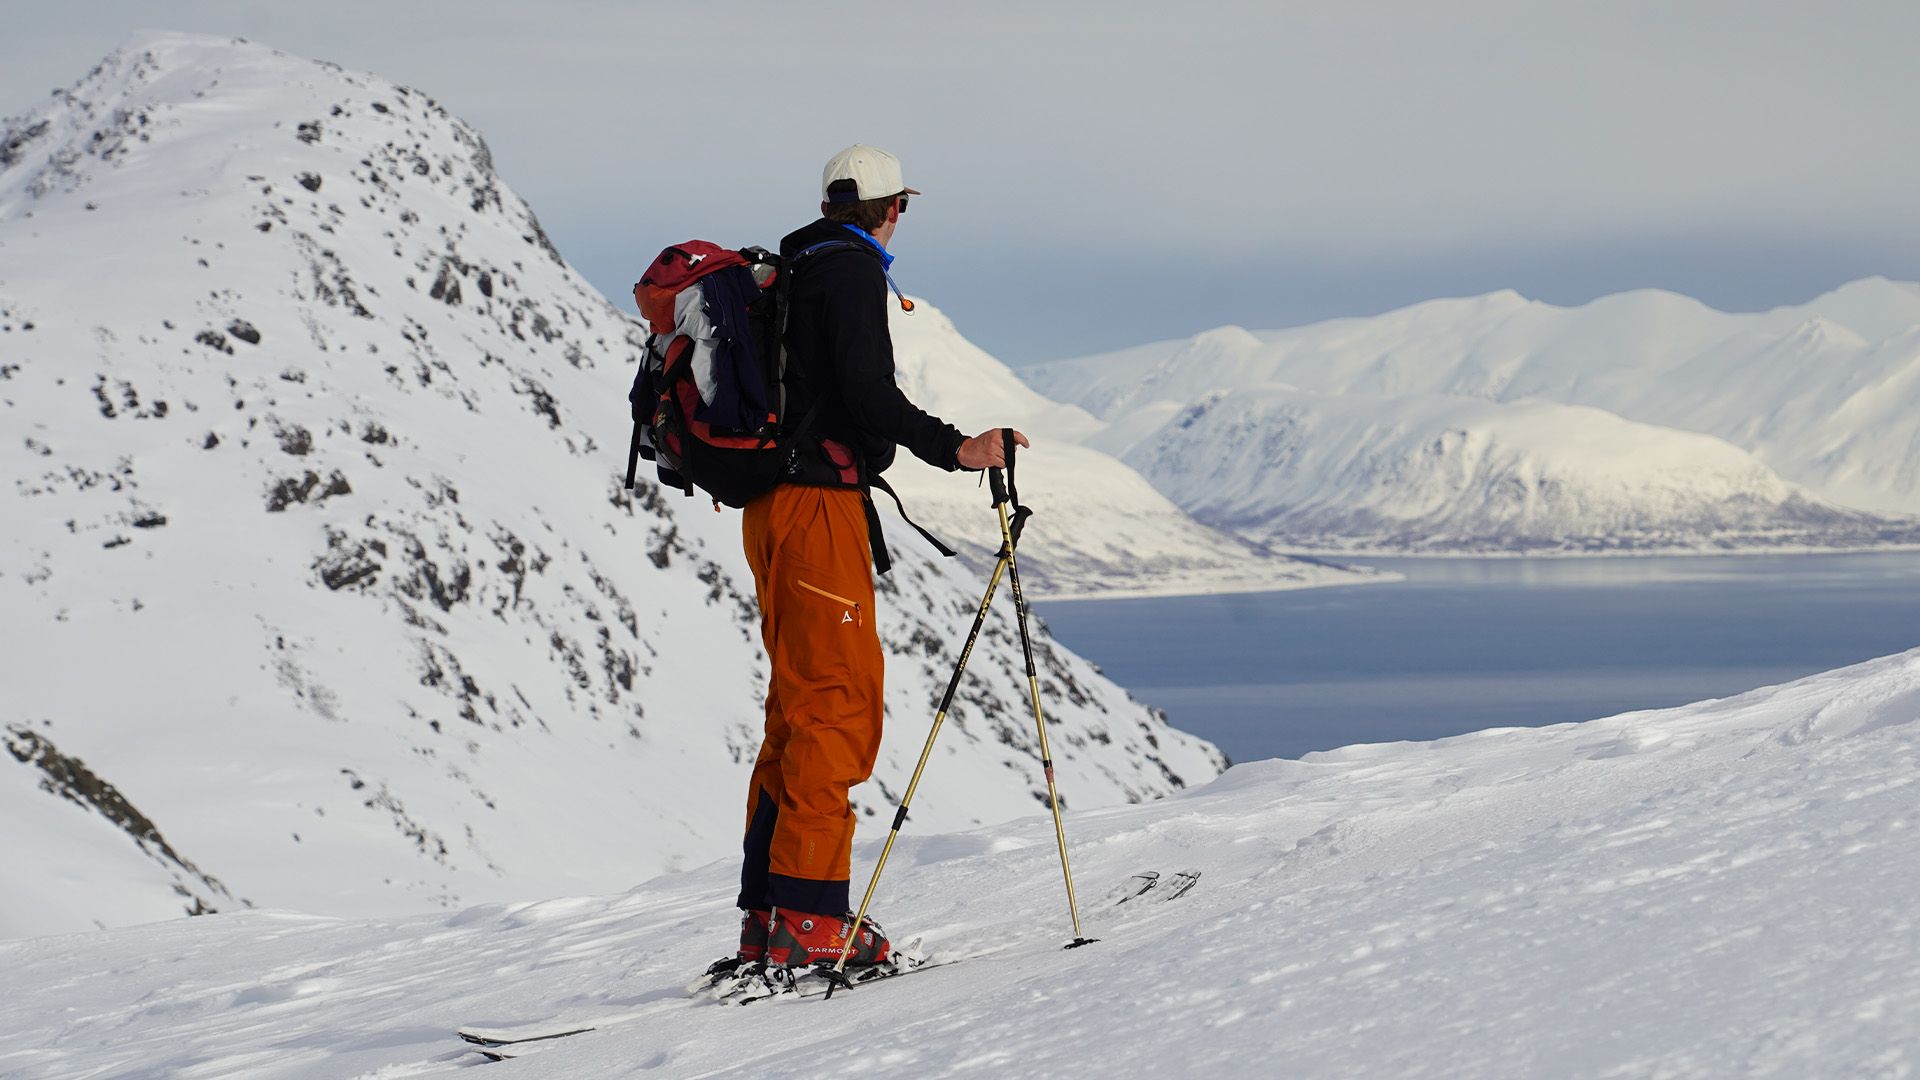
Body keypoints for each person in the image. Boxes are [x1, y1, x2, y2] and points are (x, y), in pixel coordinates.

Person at [730, 145, 1027, 972]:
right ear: (890, 208)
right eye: (904, 205)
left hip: (770, 508)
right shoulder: (849, 270)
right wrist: (955, 448)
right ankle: (811, 921)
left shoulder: (794, 268)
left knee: (795, 711)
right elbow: (868, 394)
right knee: (836, 705)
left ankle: (770, 915)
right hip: (817, 508)